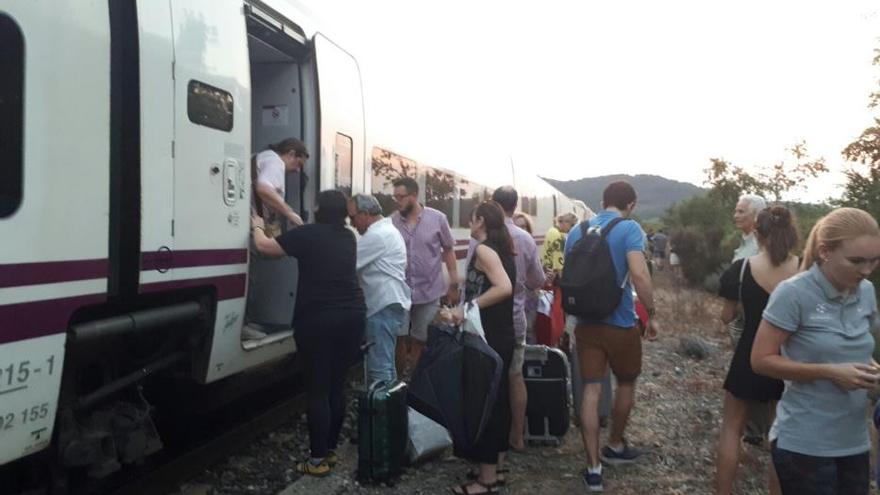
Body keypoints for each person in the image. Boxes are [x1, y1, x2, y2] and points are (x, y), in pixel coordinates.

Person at [751, 207, 880, 495]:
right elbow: (760, 360)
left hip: (854, 441)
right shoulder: (793, 293)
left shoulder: (866, 292)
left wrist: (871, 370)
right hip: (805, 444)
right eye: (856, 261)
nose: (867, 270)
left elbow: (855, 351)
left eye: (874, 260)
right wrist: (829, 373)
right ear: (825, 251)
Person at [251, 190, 366, 477]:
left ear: (317, 208)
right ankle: (329, 452)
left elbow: (265, 248)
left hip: (317, 318)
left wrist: (256, 223)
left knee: (317, 390)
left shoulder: (307, 235)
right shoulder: (349, 235)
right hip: (353, 315)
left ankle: (316, 462)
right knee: (336, 387)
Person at [563, 181, 660, 493]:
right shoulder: (630, 228)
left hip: (586, 324)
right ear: (630, 204)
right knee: (627, 383)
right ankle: (615, 444)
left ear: (603, 201)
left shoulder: (576, 231)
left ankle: (593, 469)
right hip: (619, 324)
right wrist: (652, 313)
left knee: (591, 390)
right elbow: (640, 275)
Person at [715, 206, 798, 495]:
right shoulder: (805, 270)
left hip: (748, 356)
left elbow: (726, 317)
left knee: (732, 429)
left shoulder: (740, 270)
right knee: (780, 434)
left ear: (757, 234)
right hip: (789, 359)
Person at [448, 200, 515, 495]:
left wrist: (466, 308)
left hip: (488, 338)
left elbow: (503, 287)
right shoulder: (503, 248)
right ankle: (497, 469)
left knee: (484, 404)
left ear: (481, 222)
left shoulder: (485, 250)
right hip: (501, 336)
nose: (469, 223)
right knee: (498, 402)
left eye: (471, 219)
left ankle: (485, 481)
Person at [490, 187, 545, 454]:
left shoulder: (485, 237)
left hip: (488, 321)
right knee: (515, 376)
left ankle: (492, 438)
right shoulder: (525, 238)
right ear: (515, 205)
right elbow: (538, 280)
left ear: (493, 204)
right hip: (516, 319)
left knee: (488, 378)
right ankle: (516, 436)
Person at [390, 177, 459, 380]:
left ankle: (414, 380)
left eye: (401, 197)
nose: (397, 201)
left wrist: (453, 283)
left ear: (414, 196)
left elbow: (448, 250)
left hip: (428, 291)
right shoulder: (393, 220)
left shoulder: (438, 219)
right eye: (395, 197)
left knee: (421, 338)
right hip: (400, 291)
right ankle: (400, 380)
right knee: (398, 337)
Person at [348, 194, 411, 385]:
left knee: (379, 368)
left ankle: (381, 412)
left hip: (381, 306)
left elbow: (348, 263)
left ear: (365, 214)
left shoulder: (377, 235)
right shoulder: (387, 230)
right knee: (387, 365)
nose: (351, 223)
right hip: (388, 304)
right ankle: (391, 409)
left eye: (352, 218)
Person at [730, 194, 770, 445]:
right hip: (740, 318)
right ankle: (754, 428)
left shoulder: (757, 248)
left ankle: (758, 430)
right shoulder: (744, 244)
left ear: (756, 217)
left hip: (752, 320)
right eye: (736, 210)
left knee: (753, 371)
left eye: (741, 211)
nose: (736, 215)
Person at [252, 138, 308, 233]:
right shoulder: (276, 162)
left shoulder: (264, 157)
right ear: (291, 154)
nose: (298, 170)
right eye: (299, 164)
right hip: (255, 223)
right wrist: (289, 213)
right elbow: (263, 188)